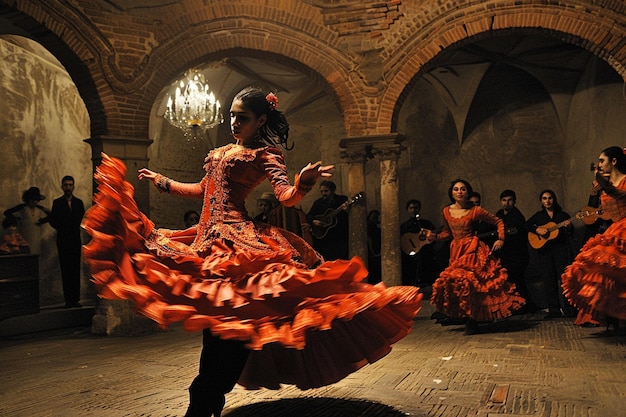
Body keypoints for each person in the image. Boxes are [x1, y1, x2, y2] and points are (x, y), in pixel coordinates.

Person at [81, 87, 422, 417]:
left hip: (240, 244)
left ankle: (205, 397)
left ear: (260, 121)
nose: (233, 123)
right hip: (205, 244)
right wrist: (162, 181)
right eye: (231, 116)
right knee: (216, 326)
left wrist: (303, 182)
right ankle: (207, 396)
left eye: (241, 117)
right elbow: (203, 190)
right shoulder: (219, 153)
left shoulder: (266, 154)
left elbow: (285, 195)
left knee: (233, 326)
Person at [428, 179, 524, 335]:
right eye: (456, 189)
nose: (459, 191)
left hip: (472, 249)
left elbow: (498, 221)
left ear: (468, 192)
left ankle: (472, 321)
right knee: (458, 284)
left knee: (473, 283)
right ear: (452, 193)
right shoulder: (446, 211)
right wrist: (435, 237)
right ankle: (467, 317)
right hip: (456, 250)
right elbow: (448, 233)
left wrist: (501, 238)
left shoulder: (475, 210)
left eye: (463, 189)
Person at [562, 146, 626, 330]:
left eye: (602, 160)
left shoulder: (622, 182)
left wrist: (604, 184)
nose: (598, 165)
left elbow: (622, 195)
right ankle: (615, 319)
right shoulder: (603, 188)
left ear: (613, 161)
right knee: (603, 273)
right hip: (614, 229)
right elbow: (603, 211)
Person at [525, 189, 574, 319]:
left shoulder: (562, 215)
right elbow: (526, 225)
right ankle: (554, 310)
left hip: (560, 251)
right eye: (544, 198)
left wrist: (568, 227)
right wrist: (537, 229)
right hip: (545, 252)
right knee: (548, 280)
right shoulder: (539, 216)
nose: (547, 201)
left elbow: (570, 233)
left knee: (564, 279)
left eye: (550, 198)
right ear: (541, 201)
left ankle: (569, 308)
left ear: (554, 199)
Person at [495, 189, 536, 313]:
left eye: (509, 200)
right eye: (504, 200)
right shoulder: (499, 215)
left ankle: (524, 306)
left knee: (517, 281)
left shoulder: (518, 216)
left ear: (514, 201)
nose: (507, 203)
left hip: (517, 256)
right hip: (505, 255)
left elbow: (519, 237)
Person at [48, 176, 85, 308]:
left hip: (75, 240)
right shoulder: (57, 203)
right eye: (66, 185)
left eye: (70, 185)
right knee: (65, 269)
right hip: (63, 240)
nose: (68, 187)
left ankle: (75, 299)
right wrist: (63, 227)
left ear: (73, 186)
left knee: (75, 269)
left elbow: (82, 219)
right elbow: (53, 220)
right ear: (62, 187)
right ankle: (68, 300)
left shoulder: (79, 203)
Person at [306, 180, 350, 260]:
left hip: (339, 237)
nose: (323, 193)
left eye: (326, 191)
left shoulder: (342, 200)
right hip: (324, 240)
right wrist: (313, 221)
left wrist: (347, 210)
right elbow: (309, 215)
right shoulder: (318, 203)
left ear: (333, 190)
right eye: (322, 191)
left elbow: (349, 216)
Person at [400, 199, 437, 286]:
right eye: (411, 208)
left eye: (416, 208)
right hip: (409, 256)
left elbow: (433, 237)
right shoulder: (404, 226)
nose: (413, 210)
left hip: (424, 255)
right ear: (408, 210)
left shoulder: (426, 224)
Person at [3, 186, 50, 254]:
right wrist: (16, 219)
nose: (35, 201)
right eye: (33, 199)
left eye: (37, 200)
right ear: (28, 199)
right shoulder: (22, 207)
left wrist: (43, 220)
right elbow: (7, 212)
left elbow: (52, 215)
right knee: (25, 251)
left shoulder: (40, 208)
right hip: (25, 233)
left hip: (36, 234)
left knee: (35, 252)